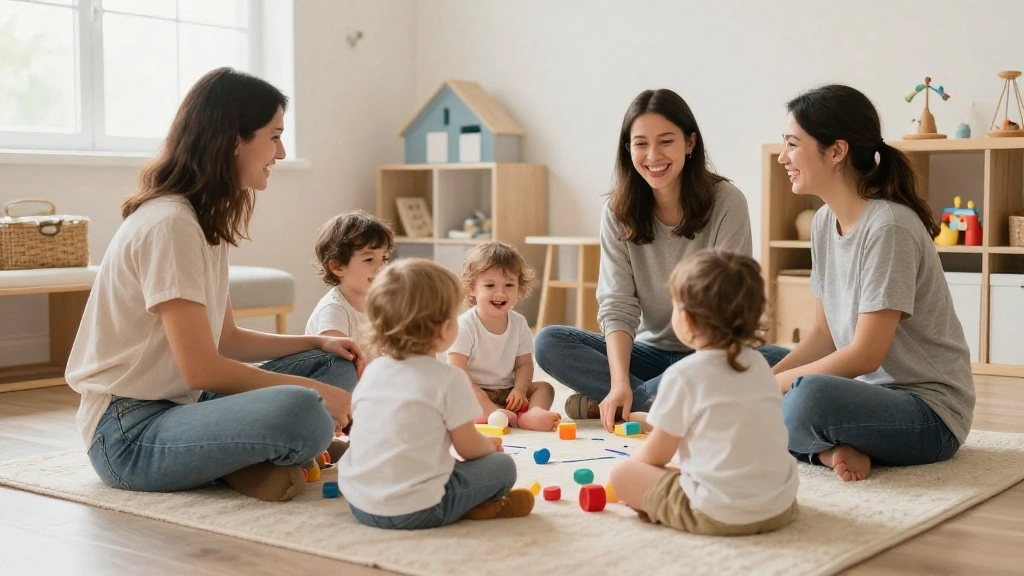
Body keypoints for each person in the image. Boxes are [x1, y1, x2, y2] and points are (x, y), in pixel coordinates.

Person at [66, 68, 363, 502]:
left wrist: (316, 342)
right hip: (128, 433)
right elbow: (202, 369)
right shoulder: (170, 224)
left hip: (187, 405)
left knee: (335, 363)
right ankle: (265, 456)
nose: (279, 153)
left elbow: (226, 340)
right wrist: (317, 396)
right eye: (274, 136)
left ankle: (253, 460)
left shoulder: (204, 224)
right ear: (233, 140)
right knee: (303, 410)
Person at [535, 88, 789, 432]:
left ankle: (633, 403)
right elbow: (617, 305)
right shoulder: (617, 211)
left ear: (690, 143)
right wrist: (620, 380)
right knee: (550, 341)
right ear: (628, 150)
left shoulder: (727, 201)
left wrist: (701, 368)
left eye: (666, 141)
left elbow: (728, 302)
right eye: (640, 143)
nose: (653, 155)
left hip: (713, 353)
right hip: (649, 355)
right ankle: (653, 400)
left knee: (789, 363)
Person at [772, 84, 975, 482]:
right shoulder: (822, 222)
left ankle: (819, 440)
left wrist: (766, 390)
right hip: (864, 395)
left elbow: (866, 355)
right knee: (762, 360)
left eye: (793, 145)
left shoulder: (889, 227)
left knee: (806, 397)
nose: (783, 157)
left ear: (835, 151)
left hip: (928, 414)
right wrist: (762, 381)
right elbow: (823, 336)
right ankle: (834, 451)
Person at [609, 249, 798, 535]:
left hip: (720, 514)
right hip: (780, 506)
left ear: (687, 320)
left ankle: (664, 508)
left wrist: (639, 471)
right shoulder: (759, 363)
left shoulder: (684, 376)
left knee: (623, 474)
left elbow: (656, 455)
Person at [337, 258, 534, 529]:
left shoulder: (373, 371)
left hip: (359, 503)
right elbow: (468, 447)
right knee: (502, 467)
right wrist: (488, 447)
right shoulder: (448, 378)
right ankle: (473, 506)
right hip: (416, 510)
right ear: (443, 329)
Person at [447, 241, 561, 431]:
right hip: (474, 389)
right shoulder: (465, 325)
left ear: (519, 288)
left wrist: (520, 390)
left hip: (507, 391)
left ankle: (530, 415)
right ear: (472, 289)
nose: (500, 293)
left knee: (544, 388)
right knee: (454, 394)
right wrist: (484, 400)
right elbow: (457, 372)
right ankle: (489, 412)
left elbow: (524, 364)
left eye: (509, 285)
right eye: (490, 285)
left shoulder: (519, 323)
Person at [306, 210, 394, 361]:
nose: (380, 267)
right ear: (338, 267)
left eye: (384, 258)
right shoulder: (334, 309)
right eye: (369, 259)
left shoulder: (381, 303)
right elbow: (337, 364)